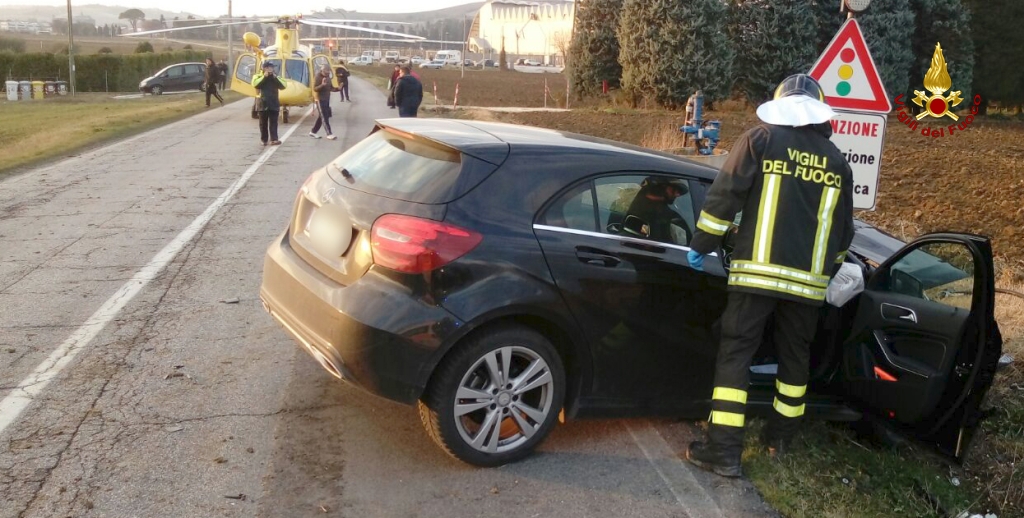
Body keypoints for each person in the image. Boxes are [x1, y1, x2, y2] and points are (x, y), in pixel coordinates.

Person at [684, 74, 855, 478]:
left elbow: (725, 195)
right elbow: (844, 233)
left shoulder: (760, 141)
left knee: (736, 355)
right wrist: (825, 271)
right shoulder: (837, 162)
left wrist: (702, 243)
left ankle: (724, 451)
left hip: (754, 277)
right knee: (795, 361)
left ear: (779, 105)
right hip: (808, 288)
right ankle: (780, 441)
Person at [623, 177, 691, 244]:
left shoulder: (664, 212)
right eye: (673, 190)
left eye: (678, 191)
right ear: (660, 187)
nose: (677, 194)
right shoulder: (653, 212)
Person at [251, 62, 287, 145]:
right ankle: (264, 140)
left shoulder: (276, 76)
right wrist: (264, 77)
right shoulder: (257, 76)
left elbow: (283, 86)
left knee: (274, 122)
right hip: (262, 103)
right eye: (270, 67)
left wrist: (275, 78)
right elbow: (255, 84)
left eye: (272, 68)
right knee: (263, 123)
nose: (271, 69)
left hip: (273, 102)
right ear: (264, 68)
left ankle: (274, 139)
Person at [309, 65, 337, 140]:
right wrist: (322, 85)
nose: (327, 73)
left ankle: (313, 132)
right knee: (324, 117)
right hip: (319, 99)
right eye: (326, 72)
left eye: (328, 72)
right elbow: (315, 89)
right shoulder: (318, 77)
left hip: (326, 99)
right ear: (322, 71)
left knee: (323, 116)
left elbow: (330, 88)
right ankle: (329, 133)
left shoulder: (328, 77)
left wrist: (338, 89)